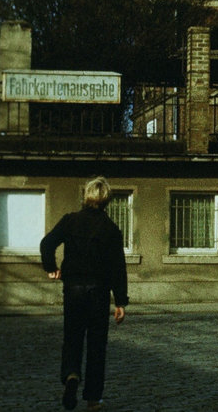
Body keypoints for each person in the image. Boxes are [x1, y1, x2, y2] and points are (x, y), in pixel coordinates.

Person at [40, 176, 129, 411]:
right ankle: (93, 399)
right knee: (97, 345)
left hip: (73, 290)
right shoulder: (111, 229)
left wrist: (51, 268)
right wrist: (120, 302)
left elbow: (47, 244)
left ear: (86, 196)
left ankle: (71, 375)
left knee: (72, 338)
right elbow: (118, 267)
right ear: (107, 200)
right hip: (99, 292)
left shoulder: (70, 221)